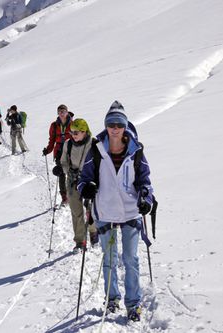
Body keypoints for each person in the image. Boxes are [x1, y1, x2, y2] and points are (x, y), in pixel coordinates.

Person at [77, 101, 153, 322]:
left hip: (130, 212)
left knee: (130, 259)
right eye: (111, 124)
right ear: (106, 126)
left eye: (119, 124)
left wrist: (145, 198)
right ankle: (112, 299)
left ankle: (133, 304)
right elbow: (84, 179)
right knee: (109, 259)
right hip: (106, 211)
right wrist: (87, 188)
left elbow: (145, 181)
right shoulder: (96, 149)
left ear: (125, 126)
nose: (115, 128)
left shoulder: (136, 151)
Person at [60, 118, 98, 251]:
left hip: (88, 181)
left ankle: (93, 231)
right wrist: (63, 169)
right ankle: (80, 241)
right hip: (72, 179)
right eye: (72, 132)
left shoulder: (94, 144)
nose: (73, 135)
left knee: (90, 210)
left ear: (84, 131)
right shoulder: (68, 144)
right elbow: (64, 160)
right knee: (76, 211)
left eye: (76, 132)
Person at [43, 104, 74, 206]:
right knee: (61, 174)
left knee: (71, 173)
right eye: (59, 112)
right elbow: (52, 140)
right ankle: (64, 197)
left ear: (67, 112)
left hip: (71, 150)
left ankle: (72, 195)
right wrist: (48, 150)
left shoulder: (73, 124)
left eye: (63, 111)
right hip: (59, 151)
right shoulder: (54, 125)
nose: (61, 113)